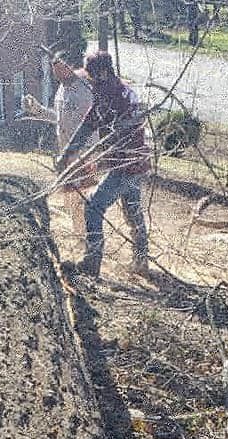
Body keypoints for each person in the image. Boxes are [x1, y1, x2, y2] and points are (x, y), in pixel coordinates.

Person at [56, 50, 151, 278]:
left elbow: (119, 135)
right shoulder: (111, 92)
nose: (89, 80)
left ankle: (92, 261)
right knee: (133, 211)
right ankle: (141, 259)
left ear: (101, 73)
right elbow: (89, 124)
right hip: (132, 163)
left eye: (91, 76)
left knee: (93, 207)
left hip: (126, 166)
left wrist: (96, 164)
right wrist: (68, 153)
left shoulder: (117, 97)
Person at [21, 55, 97, 237]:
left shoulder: (85, 89)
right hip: (66, 152)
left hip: (83, 152)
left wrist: (84, 152)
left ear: (70, 66)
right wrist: (37, 110)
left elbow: (93, 122)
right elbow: (58, 118)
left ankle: (91, 235)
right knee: (71, 195)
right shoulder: (61, 90)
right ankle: (79, 234)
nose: (56, 74)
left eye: (60, 69)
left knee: (83, 196)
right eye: (54, 70)